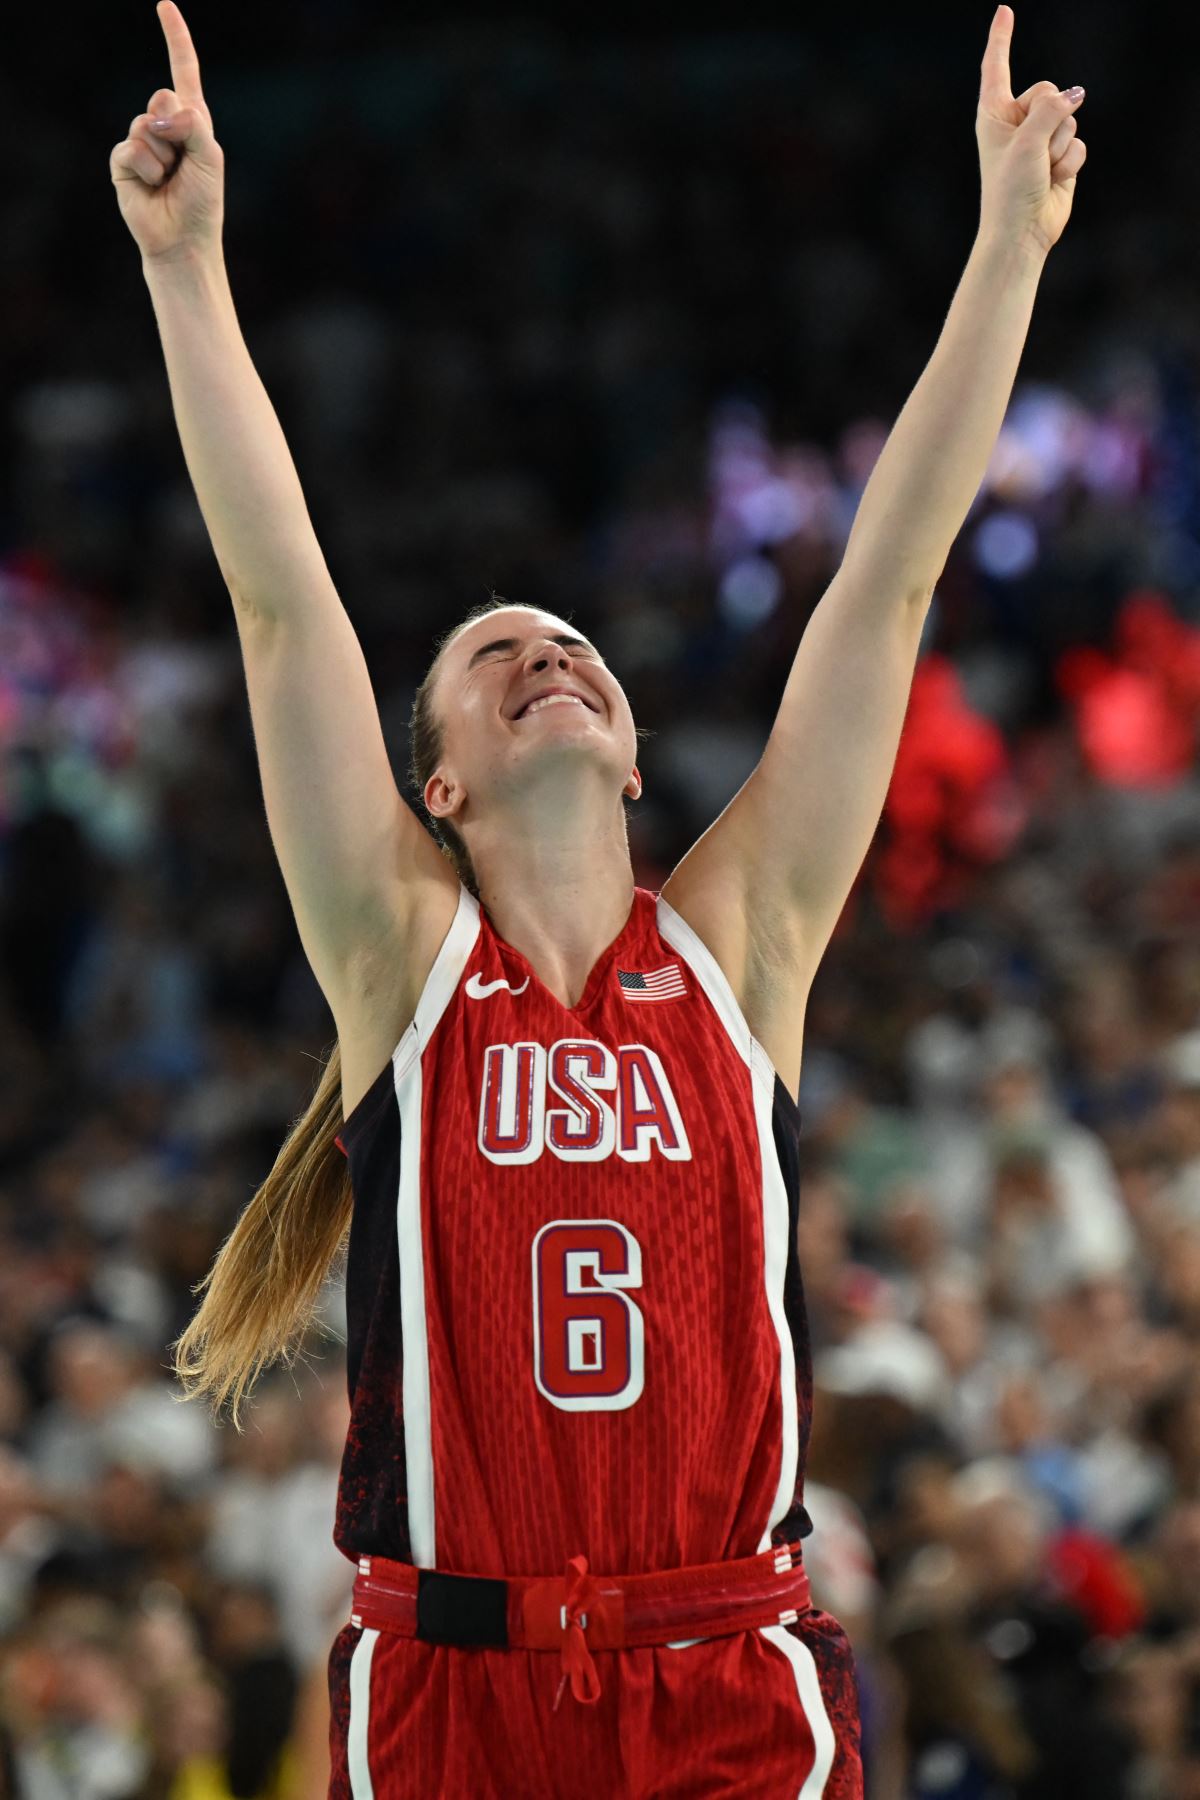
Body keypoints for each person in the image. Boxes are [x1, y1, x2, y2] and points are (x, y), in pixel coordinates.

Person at [108, 4, 1087, 1794]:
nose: (548, 656)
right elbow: (279, 599)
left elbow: (886, 581)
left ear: (638, 756)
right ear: (437, 784)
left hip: (725, 1670)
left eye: (572, 647)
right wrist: (188, 274)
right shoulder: (401, 959)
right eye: (497, 656)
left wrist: (1006, 250)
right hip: (453, 1686)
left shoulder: (740, 946)